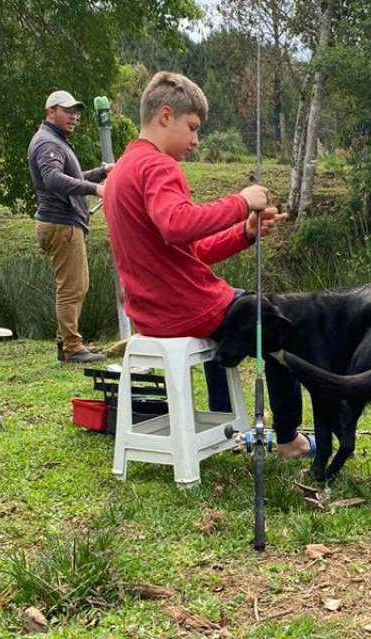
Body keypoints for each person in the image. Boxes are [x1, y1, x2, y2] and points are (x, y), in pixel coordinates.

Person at [104, 72, 312, 460]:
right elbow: (178, 223)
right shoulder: (158, 167)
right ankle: (289, 439)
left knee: (234, 322)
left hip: (151, 315)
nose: (197, 141)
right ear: (165, 116)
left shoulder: (122, 170)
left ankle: (225, 422)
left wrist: (244, 233)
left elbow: (189, 248)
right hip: (188, 308)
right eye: (193, 128)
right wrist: (241, 202)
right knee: (277, 322)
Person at [27, 90, 110, 364]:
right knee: (72, 287)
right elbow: (53, 180)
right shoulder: (47, 143)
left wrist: (99, 173)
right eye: (67, 110)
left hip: (63, 222)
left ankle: (66, 342)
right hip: (61, 223)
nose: (74, 116)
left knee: (76, 285)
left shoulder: (54, 141)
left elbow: (69, 178)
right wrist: (96, 189)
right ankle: (72, 348)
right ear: (50, 111)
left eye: (76, 111)